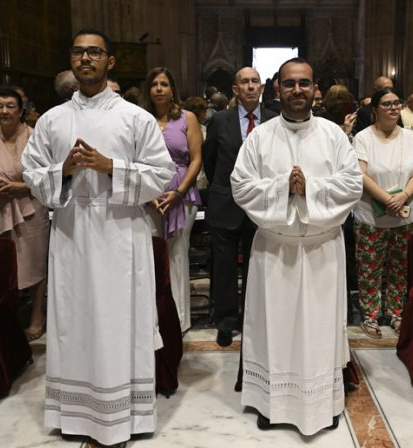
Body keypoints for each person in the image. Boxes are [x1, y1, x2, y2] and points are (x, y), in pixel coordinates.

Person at [22, 29, 174, 448]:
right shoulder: (52, 120)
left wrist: (112, 166)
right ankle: (75, 411)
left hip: (121, 231)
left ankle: (120, 415)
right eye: (78, 52)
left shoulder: (135, 118)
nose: (85, 58)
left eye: (95, 52)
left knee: (117, 322)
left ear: (110, 62)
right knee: (75, 321)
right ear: (71, 60)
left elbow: (163, 174)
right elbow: (32, 175)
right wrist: (64, 172)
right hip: (72, 231)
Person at [231, 57, 362, 435]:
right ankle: (271, 402)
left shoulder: (334, 136)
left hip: (321, 248)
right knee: (274, 327)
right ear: (278, 89)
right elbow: (240, 185)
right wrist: (282, 188)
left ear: (315, 88)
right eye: (289, 84)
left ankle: (323, 402)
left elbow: (352, 185)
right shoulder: (260, 136)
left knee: (321, 329)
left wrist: (312, 188)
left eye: (304, 84)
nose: (297, 91)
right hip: (276, 248)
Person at [203, 67, 277, 348]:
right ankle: (225, 320)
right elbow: (211, 161)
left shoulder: (273, 120)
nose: (249, 86)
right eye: (244, 82)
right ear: (235, 89)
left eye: (254, 81)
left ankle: (252, 316)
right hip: (226, 202)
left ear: (261, 88)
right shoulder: (220, 120)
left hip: (262, 204)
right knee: (223, 266)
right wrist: (224, 188)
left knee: (258, 264)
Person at [0, 87, 49, 341]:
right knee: (2, 267)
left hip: (29, 207)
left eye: (10, 106)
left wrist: (19, 185)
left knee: (35, 264)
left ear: (20, 110)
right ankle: (7, 316)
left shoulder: (34, 136)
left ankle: (37, 317)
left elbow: (48, 175)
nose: (4, 111)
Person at [353, 88, 413, 338]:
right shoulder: (363, 137)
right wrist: (387, 199)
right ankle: (370, 316)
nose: (394, 108)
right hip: (371, 214)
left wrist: (403, 196)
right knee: (370, 268)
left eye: (397, 103)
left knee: (400, 267)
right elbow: (360, 174)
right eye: (387, 104)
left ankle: (396, 313)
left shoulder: (410, 137)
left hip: (406, 212)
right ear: (375, 110)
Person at [141, 67, 203, 332]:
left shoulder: (187, 118)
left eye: (164, 83)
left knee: (177, 255)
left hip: (181, 195)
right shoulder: (140, 119)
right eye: (154, 84)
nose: (159, 88)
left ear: (172, 89)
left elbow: (196, 159)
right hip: (148, 195)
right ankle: (152, 317)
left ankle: (179, 320)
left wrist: (178, 193)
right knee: (151, 254)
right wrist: (150, 193)